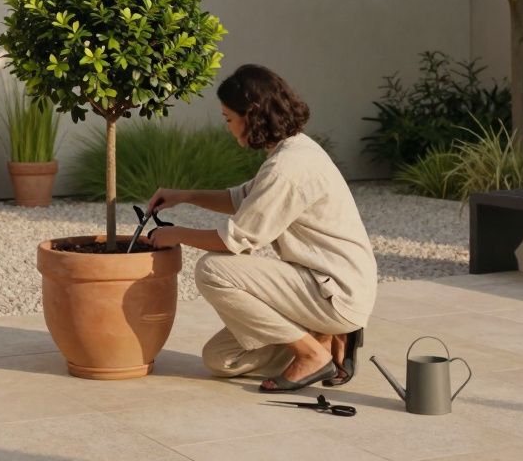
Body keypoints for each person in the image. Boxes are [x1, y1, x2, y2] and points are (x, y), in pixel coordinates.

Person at [146, 63, 376, 393]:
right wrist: (184, 196)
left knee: (212, 269)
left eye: (228, 118)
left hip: (335, 291)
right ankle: (323, 336)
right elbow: (241, 198)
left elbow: (236, 240)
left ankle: (312, 353)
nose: (226, 127)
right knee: (221, 359)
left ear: (251, 115)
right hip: (322, 285)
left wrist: (176, 233)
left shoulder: (288, 167)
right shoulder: (291, 150)